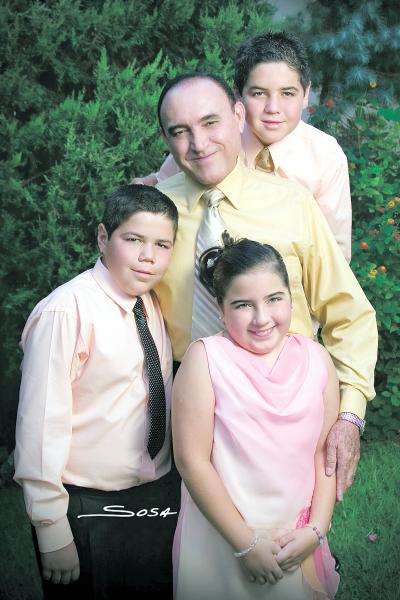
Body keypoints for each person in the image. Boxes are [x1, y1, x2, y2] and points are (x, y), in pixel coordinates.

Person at [154, 72, 377, 501]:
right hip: (189, 412)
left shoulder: (292, 204)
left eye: (210, 122)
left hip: (288, 413)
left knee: (292, 550)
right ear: (165, 137)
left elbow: (349, 316)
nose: (198, 144)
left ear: (239, 114)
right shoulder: (155, 212)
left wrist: (349, 418)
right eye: (179, 132)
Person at [13, 185, 180, 599]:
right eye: (134, 240)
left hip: (153, 495)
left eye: (162, 245)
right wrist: (53, 530)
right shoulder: (66, 311)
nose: (148, 257)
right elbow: (39, 426)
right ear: (104, 238)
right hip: (83, 504)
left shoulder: (152, 303)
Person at [172, 236, 340, 599]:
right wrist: (245, 544)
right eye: (243, 305)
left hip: (295, 537)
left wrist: (316, 529)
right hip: (224, 537)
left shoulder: (317, 359)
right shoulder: (205, 359)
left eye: (274, 299)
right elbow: (192, 461)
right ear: (221, 309)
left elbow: (322, 452)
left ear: (290, 297)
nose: (262, 318)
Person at [133, 31, 351, 261]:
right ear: (238, 95)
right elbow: (165, 185)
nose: (273, 108)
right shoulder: (212, 143)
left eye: (288, 93)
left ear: (306, 94)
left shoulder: (326, 156)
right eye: (258, 93)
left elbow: (335, 252)